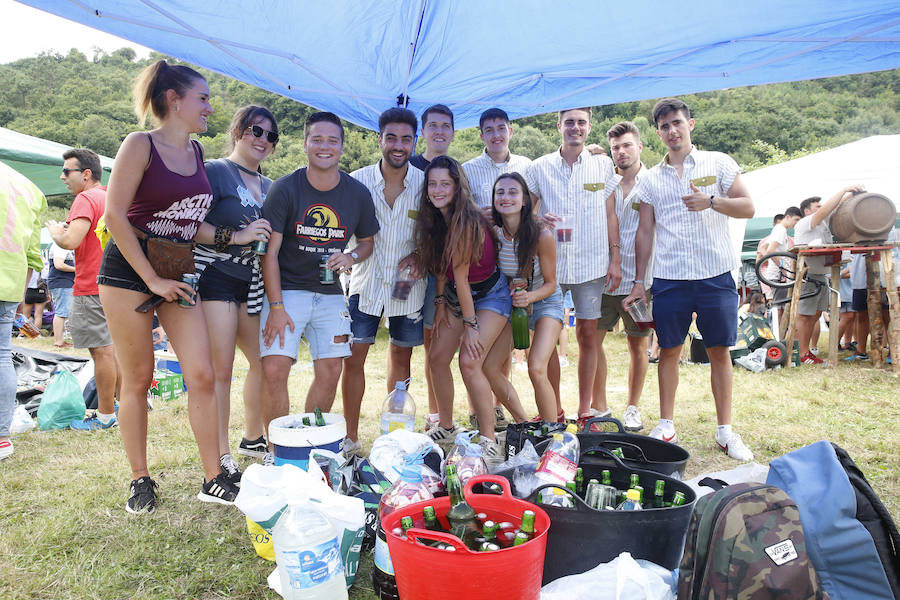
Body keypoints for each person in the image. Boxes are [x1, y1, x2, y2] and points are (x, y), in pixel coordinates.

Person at [98, 59, 234, 512]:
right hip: (128, 271)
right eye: (204, 98)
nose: (210, 108)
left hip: (176, 271)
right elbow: (115, 216)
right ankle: (140, 478)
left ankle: (214, 476)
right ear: (175, 100)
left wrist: (234, 237)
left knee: (202, 373)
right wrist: (150, 277)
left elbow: (188, 224)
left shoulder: (197, 154)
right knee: (137, 379)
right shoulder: (140, 144)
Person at [624, 98, 755, 461]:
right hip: (670, 278)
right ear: (658, 133)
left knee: (719, 351)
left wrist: (711, 201)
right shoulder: (650, 179)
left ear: (691, 124)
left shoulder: (719, 163)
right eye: (664, 126)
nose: (672, 131)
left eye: (677, 123)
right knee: (668, 350)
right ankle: (666, 424)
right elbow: (644, 231)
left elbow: (748, 207)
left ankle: (725, 430)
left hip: (716, 274)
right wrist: (639, 281)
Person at [260, 111, 378, 461]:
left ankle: (308, 446)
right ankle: (277, 449)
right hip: (288, 290)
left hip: (330, 294)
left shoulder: (356, 193)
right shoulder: (285, 188)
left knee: (330, 370)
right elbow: (269, 253)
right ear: (306, 143)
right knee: (275, 367)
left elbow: (368, 241)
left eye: (332, 140)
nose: (324, 146)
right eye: (317, 139)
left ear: (342, 146)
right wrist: (276, 308)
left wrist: (351, 257)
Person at [192, 105, 278, 480]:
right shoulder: (215, 171)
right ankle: (221, 454)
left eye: (271, 136)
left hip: (253, 283)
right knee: (221, 369)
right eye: (256, 131)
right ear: (239, 131)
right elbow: (190, 224)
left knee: (265, 363)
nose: (263, 140)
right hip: (216, 278)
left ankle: (253, 436)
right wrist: (237, 236)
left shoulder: (273, 187)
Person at [525, 107, 622, 427]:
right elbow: (525, 213)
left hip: (591, 263)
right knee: (548, 337)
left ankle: (585, 410)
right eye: (570, 122)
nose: (575, 128)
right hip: (550, 268)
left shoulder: (603, 164)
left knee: (588, 336)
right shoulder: (539, 167)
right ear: (559, 126)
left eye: (581, 123)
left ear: (590, 127)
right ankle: (554, 407)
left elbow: (611, 214)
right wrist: (539, 220)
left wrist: (616, 257)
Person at [415, 156, 511, 455]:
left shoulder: (467, 220)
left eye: (445, 183)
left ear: (458, 187)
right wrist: (442, 301)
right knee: (437, 357)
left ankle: (490, 441)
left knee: (469, 363)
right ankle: (445, 427)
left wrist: (470, 328)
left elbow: (462, 276)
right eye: (433, 184)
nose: (438, 189)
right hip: (459, 295)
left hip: (491, 295)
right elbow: (443, 269)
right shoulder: (436, 219)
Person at [342, 107, 424, 456]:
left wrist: (425, 255)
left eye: (406, 139)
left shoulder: (424, 182)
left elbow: (437, 233)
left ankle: (394, 437)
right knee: (354, 356)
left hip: (408, 285)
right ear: (380, 139)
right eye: (391, 137)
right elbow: (341, 226)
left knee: (401, 357)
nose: (398, 145)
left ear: (414, 142)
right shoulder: (356, 180)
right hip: (366, 282)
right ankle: (350, 436)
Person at [462, 107, 532, 428]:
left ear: (510, 131)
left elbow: (534, 209)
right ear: (481, 135)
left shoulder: (527, 167)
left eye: (500, 128)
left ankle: (498, 407)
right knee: (479, 349)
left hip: (516, 266)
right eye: (488, 129)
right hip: (481, 267)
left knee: (500, 352)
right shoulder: (468, 169)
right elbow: (462, 211)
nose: (495, 134)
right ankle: (480, 409)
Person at [47, 148, 122, 431]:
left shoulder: (85, 199)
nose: (62, 176)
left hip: (91, 284)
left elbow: (71, 242)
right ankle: (121, 407)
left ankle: (104, 416)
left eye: (67, 171)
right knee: (114, 351)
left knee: (101, 352)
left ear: (86, 174)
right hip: (115, 285)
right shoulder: (108, 197)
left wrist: (57, 233)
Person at [484, 172, 560, 422]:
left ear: (526, 199)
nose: (506, 197)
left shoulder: (542, 235)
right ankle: (524, 423)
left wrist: (529, 297)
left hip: (544, 301)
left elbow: (551, 284)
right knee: (490, 368)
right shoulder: (493, 232)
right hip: (512, 304)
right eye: (500, 192)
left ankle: (552, 435)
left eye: (513, 192)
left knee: (537, 367)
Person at [592, 121, 651, 432]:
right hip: (604, 277)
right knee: (593, 339)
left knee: (638, 345)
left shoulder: (652, 182)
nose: (621, 151)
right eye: (615, 147)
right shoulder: (605, 181)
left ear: (639, 146)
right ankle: (600, 405)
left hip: (642, 280)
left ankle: (632, 407)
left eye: (627, 145)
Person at [409, 104, 458, 431]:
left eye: (445, 126)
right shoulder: (409, 167)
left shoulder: (456, 169)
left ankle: (439, 413)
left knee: (437, 343)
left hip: (447, 270)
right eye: (433, 125)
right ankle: (416, 412)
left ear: (453, 132)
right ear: (422, 132)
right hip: (413, 268)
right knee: (412, 346)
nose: (439, 131)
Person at [0, 162, 47, 460]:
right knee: (2, 353)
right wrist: (18, 292)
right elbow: (33, 254)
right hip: (10, 280)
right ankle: (2, 437)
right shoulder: (28, 187)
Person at [792, 187, 864, 364]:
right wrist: (844, 190)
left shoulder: (823, 225)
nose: (821, 208)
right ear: (807, 210)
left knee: (815, 315)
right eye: (817, 206)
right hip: (808, 274)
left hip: (821, 275)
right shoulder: (807, 222)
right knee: (804, 316)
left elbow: (832, 207)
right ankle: (802, 353)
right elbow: (827, 209)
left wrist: (849, 196)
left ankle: (806, 352)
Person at [46, 241, 75, 347]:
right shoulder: (60, 246)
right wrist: (78, 269)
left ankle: (60, 339)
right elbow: (59, 264)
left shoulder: (63, 246)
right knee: (61, 313)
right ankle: (58, 341)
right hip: (61, 282)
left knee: (62, 312)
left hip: (63, 282)